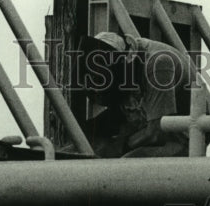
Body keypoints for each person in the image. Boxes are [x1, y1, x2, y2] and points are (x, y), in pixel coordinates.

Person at [76, 30, 197, 158]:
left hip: (184, 137)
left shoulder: (158, 63)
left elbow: (157, 133)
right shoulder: (126, 64)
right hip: (147, 123)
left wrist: (119, 146)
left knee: (126, 163)